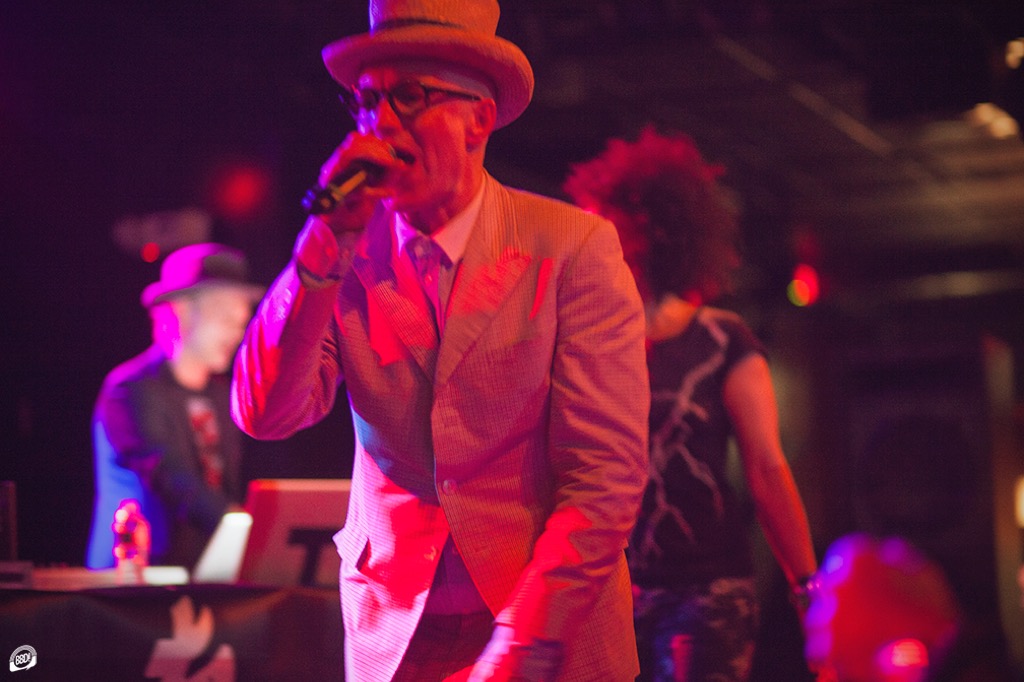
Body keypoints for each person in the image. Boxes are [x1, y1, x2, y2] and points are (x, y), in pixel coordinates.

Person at [230, 1, 650, 681]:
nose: (380, 124)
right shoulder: (345, 253)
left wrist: (521, 642)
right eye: (367, 101)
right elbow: (265, 413)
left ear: (478, 118)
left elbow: (603, 479)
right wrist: (322, 244)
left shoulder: (572, 248)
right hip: (399, 636)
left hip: (543, 630)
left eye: (408, 97)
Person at [564, 126, 820, 682]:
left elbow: (767, 469)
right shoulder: (589, 342)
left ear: (650, 235)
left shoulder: (723, 339)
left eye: (608, 228)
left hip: (707, 590)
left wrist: (808, 589)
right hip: (612, 590)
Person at [86, 243, 264, 570]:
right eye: (225, 317)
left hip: (205, 575)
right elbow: (173, 479)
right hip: (135, 579)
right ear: (182, 309)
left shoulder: (222, 395)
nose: (236, 333)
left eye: (240, 323)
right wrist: (250, 531)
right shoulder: (130, 389)